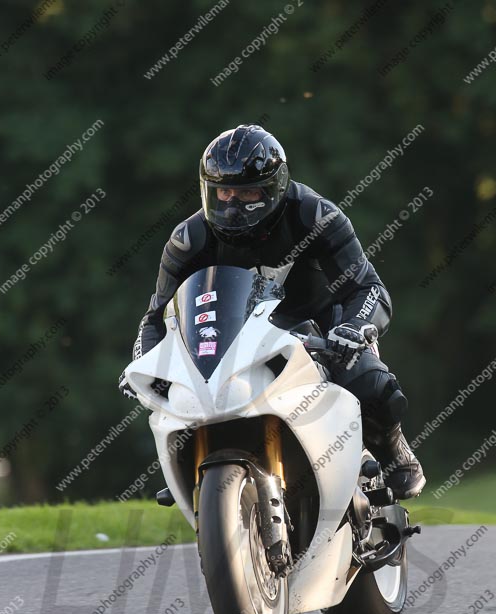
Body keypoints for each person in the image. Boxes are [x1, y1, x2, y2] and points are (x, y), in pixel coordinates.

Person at [120, 124, 425, 499]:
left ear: (275, 188)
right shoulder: (189, 240)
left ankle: (393, 450)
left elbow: (368, 288)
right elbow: (156, 316)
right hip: (234, 341)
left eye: (247, 192)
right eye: (223, 192)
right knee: (177, 396)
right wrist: (145, 365)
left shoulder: (315, 216)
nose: (232, 204)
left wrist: (355, 327)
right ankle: (191, 469)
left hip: (321, 332)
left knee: (374, 385)